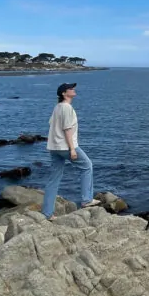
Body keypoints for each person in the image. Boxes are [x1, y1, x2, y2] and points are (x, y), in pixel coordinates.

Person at [42, 82, 99, 218]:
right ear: (63, 93)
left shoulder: (57, 107)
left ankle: (47, 213)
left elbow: (52, 124)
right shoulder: (67, 108)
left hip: (54, 147)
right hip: (65, 146)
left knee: (54, 179)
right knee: (87, 166)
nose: (73, 89)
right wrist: (72, 149)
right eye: (70, 88)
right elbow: (67, 129)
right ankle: (86, 200)